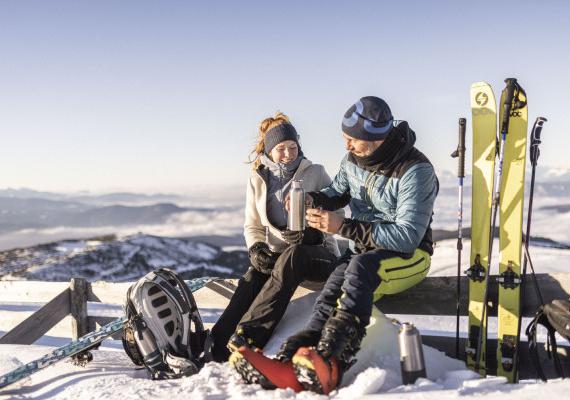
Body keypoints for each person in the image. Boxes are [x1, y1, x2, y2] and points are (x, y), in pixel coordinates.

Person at [230, 96, 438, 394]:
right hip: (364, 253)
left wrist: (343, 227)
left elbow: (406, 237)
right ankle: (293, 360)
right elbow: (337, 192)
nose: (347, 146)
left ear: (376, 139)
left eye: (353, 140)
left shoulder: (415, 170)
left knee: (358, 269)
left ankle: (333, 362)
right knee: (332, 289)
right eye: (345, 138)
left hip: (409, 257)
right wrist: (315, 199)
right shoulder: (353, 161)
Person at [209, 112, 341, 363]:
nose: (289, 154)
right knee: (252, 277)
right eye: (281, 148)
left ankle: (249, 341)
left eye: (293, 147)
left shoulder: (315, 172)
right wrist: (256, 248)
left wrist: (312, 231)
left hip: (319, 255)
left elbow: (338, 211)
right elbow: (253, 224)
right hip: (282, 257)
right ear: (269, 150)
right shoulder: (259, 179)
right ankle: (215, 346)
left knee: (294, 255)